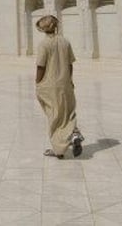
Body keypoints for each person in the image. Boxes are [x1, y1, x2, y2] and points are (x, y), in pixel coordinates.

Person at [34, 14, 84, 159]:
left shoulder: (44, 44)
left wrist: (37, 82)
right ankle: (74, 135)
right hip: (65, 83)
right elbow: (70, 64)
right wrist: (69, 80)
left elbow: (40, 66)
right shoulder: (65, 42)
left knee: (54, 116)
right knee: (68, 112)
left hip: (50, 85)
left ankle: (59, 149)